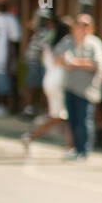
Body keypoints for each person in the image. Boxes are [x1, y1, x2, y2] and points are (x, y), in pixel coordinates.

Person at [53, 13, 102, 161]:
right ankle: (75, 148)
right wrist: (66, 62)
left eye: (85, 25)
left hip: (86, 89)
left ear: (91, 28)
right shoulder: (67, 41)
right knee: (72, 120)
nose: (81, 28)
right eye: (79, 24)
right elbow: (56, 58)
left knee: (84, 121)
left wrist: (75, 63)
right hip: (69, 86)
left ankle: (84, 150)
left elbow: (97, 64)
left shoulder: (94, 44)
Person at [21, 14, 72, 155]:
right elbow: (65, 63)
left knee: (59, 116)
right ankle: (70, 147)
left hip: (49, 80)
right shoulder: (65, 44)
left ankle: (30, 137)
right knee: (65, 115)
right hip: (59, 82)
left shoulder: (48, 42)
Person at [0, 0, 21, 116]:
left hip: (3, 58)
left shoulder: (10, 19)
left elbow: (15, 41)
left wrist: (11, 60)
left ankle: (3, 107)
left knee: (4, 84)